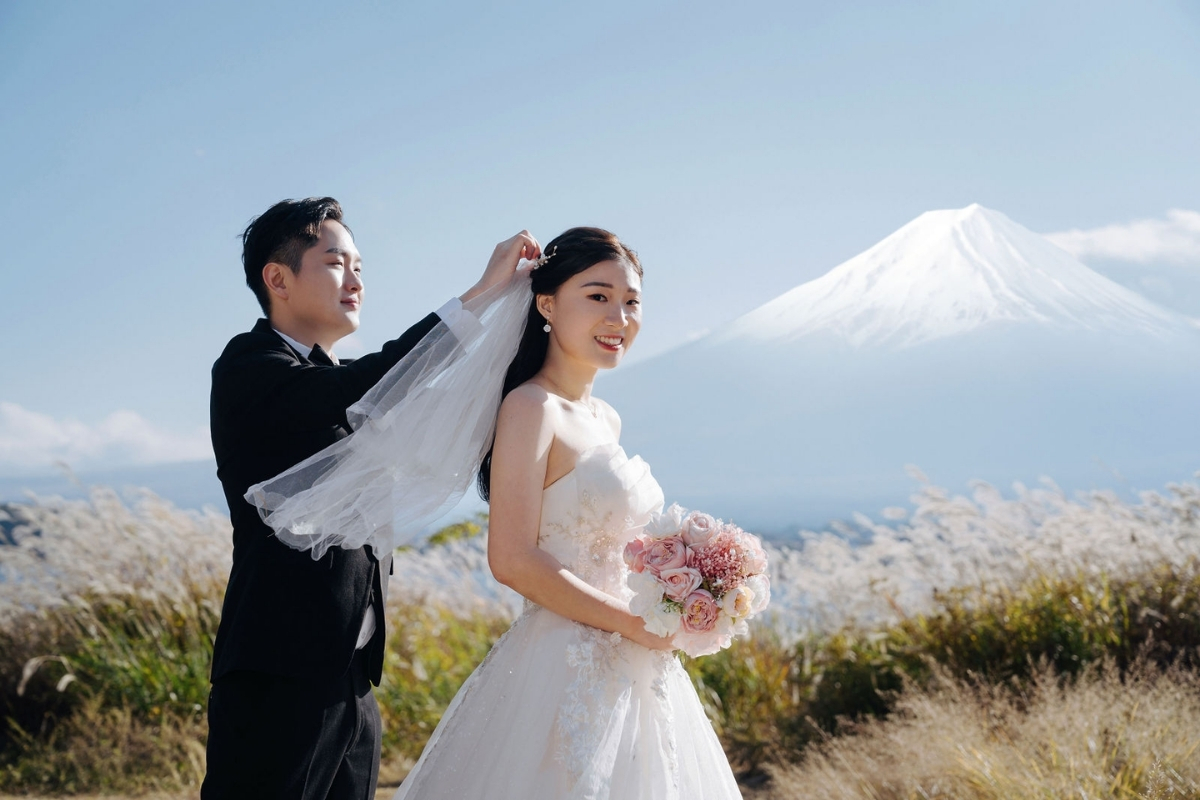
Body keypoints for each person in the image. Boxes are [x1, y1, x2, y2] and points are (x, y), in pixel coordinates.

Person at [247, 226, 743, 798]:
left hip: (639, 660)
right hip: (565, 661)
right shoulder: (530, 407)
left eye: (632, 301)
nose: (620, 317)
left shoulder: (607, 418)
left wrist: (685, 582)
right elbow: (511, 558)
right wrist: (635, 623)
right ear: (548, 304)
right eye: (598, 296)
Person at [202, 195, 539, 800]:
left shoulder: (344, 385)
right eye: (336, 263)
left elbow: (439, 408)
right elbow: (374, 382)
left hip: (352, 679)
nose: (356, 279)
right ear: (276, 278)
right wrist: (483, 294)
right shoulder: (251, 366)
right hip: (280, 669)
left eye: (360, 265)